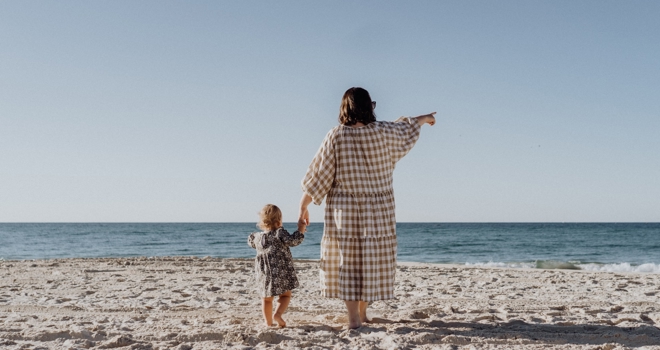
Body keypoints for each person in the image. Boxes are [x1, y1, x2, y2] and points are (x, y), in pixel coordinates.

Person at [298, 87, 435, 329]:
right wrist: (424, 119)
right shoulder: (382, 131)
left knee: (347, 260)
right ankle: (362, 314)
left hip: (344, 209)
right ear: (369, 106)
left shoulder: (336, 136)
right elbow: (407, 127)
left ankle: (353, 318)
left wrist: (303, 208)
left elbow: (319, 177)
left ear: (344, 108)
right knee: (371, 259)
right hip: (378, 208)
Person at [248, 204, 306, 327]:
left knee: (266, 298)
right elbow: (294, 241)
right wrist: (301, 229)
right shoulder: (279, 234)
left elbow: (251, 243)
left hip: (264, 274)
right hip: (280, 272)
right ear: (279, 220)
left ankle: (268, 323)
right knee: (285, 295)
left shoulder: (256, 237)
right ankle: (277, 314)